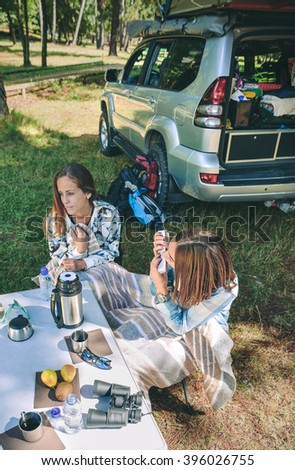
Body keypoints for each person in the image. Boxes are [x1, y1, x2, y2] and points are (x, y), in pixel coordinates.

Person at [149, 228, 238, 334]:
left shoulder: (225, 291)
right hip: (178, 309)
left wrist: (162, 289)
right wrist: (163, 265)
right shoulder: (182, 257)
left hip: (206, 327)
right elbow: (155, 294)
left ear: (191, 270)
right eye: (167, 248)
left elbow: (180, 326)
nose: (164, 255)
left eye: (170, 258)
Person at [45, 162, 121, 282]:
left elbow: (111, 251)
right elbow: (57, 255)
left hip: (100, 267)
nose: (65, 200)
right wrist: (79, 250)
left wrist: (83, 263)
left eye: (70, 193)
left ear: (87, 192)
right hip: (66, 268)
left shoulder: (108, 213)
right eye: (61, 194)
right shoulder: (55, 217)